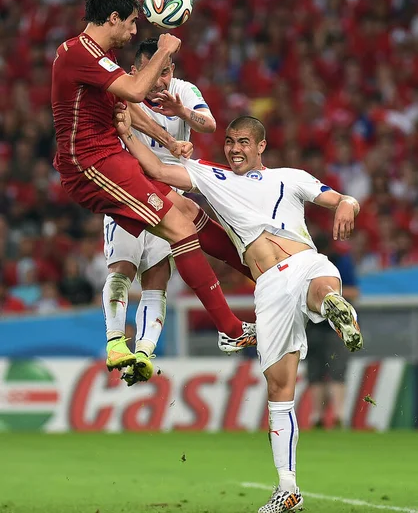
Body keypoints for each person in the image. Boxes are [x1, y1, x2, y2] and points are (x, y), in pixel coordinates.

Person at [114, 111, 364, 513]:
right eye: (230, 142)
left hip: (291, 270)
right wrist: (127, 134)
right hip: (278, 282)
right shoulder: (217, 178)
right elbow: (158, 168)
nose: (234, 149)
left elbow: (338, 198)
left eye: (243, 142)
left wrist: (347, 203)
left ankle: (335, 307)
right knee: (279, 392)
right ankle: (288, 488)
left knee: (314, 290)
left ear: (261, 146)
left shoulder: (290, 176)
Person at [51, 0, 256, 376]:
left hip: (113, 159)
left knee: (185, 211)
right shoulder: (79, 53)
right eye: (129, 24)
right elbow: (134, 88)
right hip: (91, 164)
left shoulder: (99, 55)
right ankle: (229, 329)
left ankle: (258, 276)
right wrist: (162, 50)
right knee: (174, 232)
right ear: (112, 18)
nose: (133, 32)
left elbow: (127, 102)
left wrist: (166, 138)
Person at [102, 36, 216, 384]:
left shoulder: (185, 91)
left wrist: (181, 111)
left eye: (167, 72)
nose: (162, 80)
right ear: (138, 70)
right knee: (122, 268)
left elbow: (208, 125)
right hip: (128, 189)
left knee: (157, 276)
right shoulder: (123, 89)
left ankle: (144, 352)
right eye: (156, 72)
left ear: (173, 71)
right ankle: (115, 341)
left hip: (170, 197)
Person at [306, 233, 360, 429]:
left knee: (336, 370)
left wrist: (324, 294)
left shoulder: (339, 262)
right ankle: (318, 416)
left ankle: (338, 415)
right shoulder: (314, 264)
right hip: (314, 326)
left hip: (338, 327)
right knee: (316, 371)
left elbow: (354, 291)